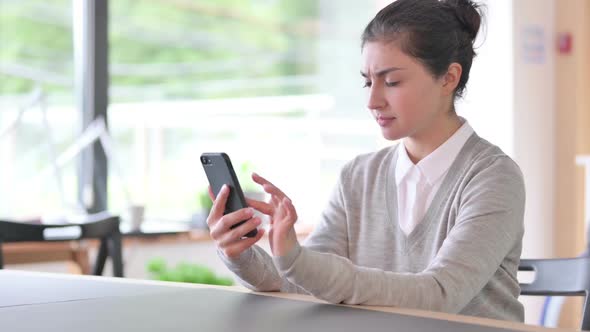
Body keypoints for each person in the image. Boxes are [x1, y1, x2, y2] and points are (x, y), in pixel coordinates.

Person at [206, 0, 525, 322]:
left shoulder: (494, 177)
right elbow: (300, 281)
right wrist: (242, 253)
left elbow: (440, 295)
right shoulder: (359, 176)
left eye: (392, 81)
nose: (372, 100)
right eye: (368, 81)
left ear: (448, 78)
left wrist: (297, 260)